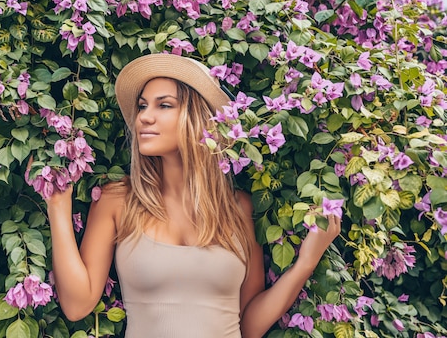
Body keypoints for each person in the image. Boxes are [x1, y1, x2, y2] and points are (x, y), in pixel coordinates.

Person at [47, 53, 341, 338]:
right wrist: (58, 206)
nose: (144, 118)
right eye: (142, 106)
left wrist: (306, 261)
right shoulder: (117, 200)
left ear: (198, 117)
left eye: (163, 105)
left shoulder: (238, 207)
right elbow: (77, 305)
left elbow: (248, 326)